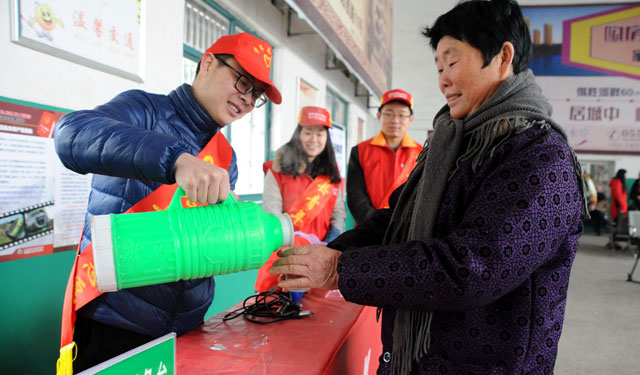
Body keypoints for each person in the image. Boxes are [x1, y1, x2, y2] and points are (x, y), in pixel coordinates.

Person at [270, 1, 586, 374]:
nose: (443, 80)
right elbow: (395, 221)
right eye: (438, 68)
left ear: (503, 56)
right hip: (412, 360)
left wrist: (343, 268)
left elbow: (472, 268)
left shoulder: (540, 157)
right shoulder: (452, 146)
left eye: (452, 63)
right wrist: (325, 255)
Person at [54, 32, 282, 372]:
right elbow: (70, 134)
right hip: (115, 324)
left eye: (257, 95)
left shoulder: (226, 157)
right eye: (243, 82)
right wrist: (176, 160)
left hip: (186, 329)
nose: (248, 100)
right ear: (207, 62)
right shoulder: (144, 110)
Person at [255, 106, 345, 297]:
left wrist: (330, 248)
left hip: (320, 261)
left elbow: (338, 214)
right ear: (299, 134)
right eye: (308, 132)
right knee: (276, 311)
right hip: (284, 254)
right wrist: (296, 248)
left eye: (320, 134)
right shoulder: (277, 170)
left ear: (327, 138)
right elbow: (272, 216)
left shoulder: (332, 174)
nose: (314, 139)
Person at [347, 89, 422, 225]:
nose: (395, 120)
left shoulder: (422, 153)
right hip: (367, 230)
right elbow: (355, 195)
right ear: (378, 116)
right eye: (388, 114)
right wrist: (375, 225)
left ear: (410, 119)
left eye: (402, 115)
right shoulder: (359, 151)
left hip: (406, 230)